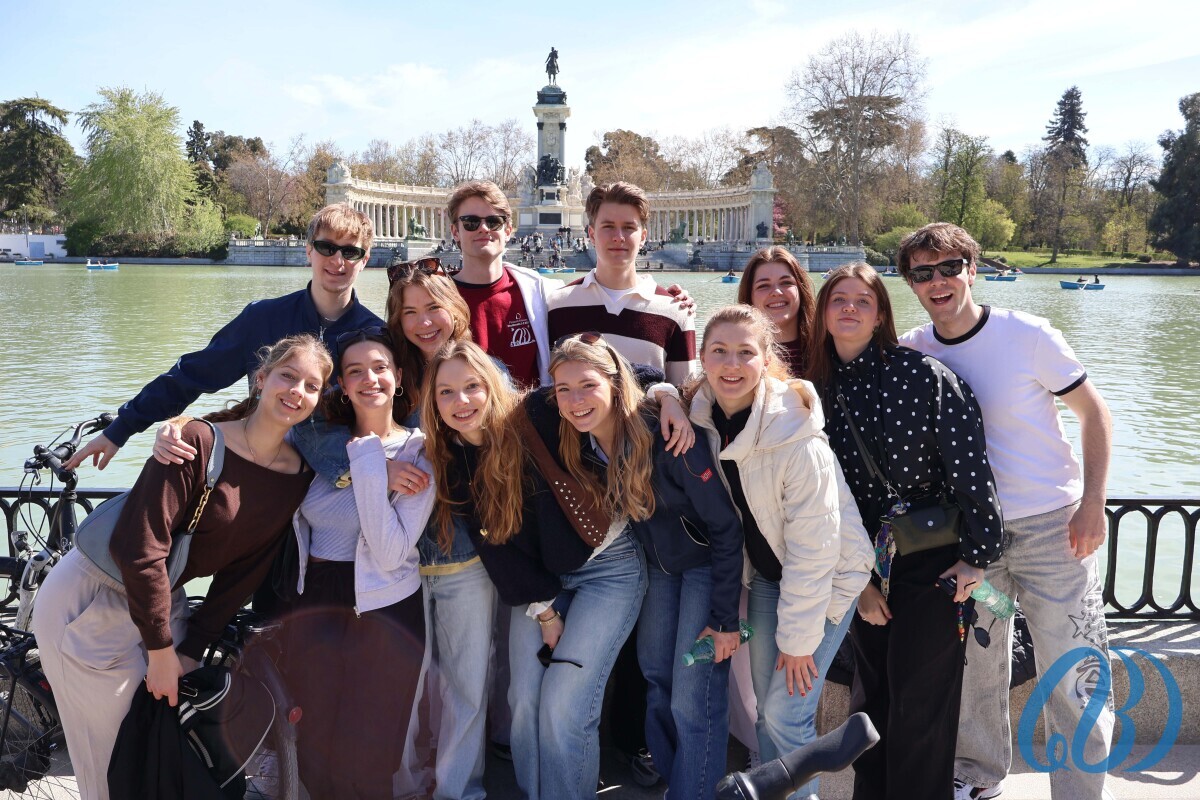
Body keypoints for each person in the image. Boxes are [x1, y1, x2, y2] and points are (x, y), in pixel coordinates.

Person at [32, 334, 332, 800]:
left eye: (311, 386)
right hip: (90, 598)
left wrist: (191, 649)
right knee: (113, 760)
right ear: (261, 379)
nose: (297, 391)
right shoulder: (196, 441)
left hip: (161, 601)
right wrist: (161, 652)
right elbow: (140, 547)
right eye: (287, 376)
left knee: (160, 748)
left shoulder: (297, 475)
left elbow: (244, 575)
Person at [896, 223, 1114, 800]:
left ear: (973, 270)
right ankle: (976, 777)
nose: (938, 281)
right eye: (923, 272)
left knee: (1073, 667)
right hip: (972, 542)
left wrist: (1093, 502)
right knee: (976, 666)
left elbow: (1095, 414)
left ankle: (1081, 792)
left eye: (949, 267)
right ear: (911, 283)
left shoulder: (1029, 335)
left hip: (1053, 533)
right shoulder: (914, 349)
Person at [805, 264, 1004, 800]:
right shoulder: (812, 390)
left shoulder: (924, 376)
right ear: (823, 314)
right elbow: (817, 499)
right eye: (838, 299)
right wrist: (859, 583)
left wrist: (977, 558)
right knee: (870, 704)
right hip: (860, 559)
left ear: (880, 315)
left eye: (862, 300)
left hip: (932, 558)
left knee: (922, 706)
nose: (849, 308)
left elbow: (970, 471)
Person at [687, 304, 874, 800]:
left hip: (826, 578)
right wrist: (664, 396)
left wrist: (798, 641)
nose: (732, 364)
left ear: (766, 358)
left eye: (745, 352)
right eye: (719, 351)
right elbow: (652, 389)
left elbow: (817, 550)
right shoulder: (701, 413)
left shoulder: (795, 434)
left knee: (786, 713)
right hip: (770, 578)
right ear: (702, 358)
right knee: (765, 714)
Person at [66, 203, 382, 471]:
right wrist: (120, 430)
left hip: (339, 479)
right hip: (260, 467)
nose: (337, 261)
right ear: (309, 250)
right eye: (327, 248)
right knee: (172, 457)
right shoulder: (263, 317)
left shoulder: (377, 335)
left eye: (350, 252)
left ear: (365, 260)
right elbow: (192, 375)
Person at [286, 328, 434, 799]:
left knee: (371, 749)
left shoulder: (420, 451)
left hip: (385, 604)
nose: (370, 379)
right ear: (342, 386)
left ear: (399, 377)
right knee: (314, 736)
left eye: (380, 368)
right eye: (355, 371)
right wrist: (179, 424)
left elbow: (389, 551)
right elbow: (248, 427)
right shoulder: (318, 445)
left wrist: (372, 462)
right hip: (317, 597)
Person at [547, 182, 696, 387]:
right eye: (608, 227)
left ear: (643, 237)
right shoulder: (556, 305)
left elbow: (684, 395)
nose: (618, 237)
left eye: (628, 227)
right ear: (592, 234)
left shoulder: (676, 312)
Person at [736, 246, 817, 378]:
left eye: (786, 283)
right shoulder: (733, 356)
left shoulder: (829, 349)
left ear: (801, 289)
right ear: (749, 296)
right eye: (763, 285)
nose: (776, 292)